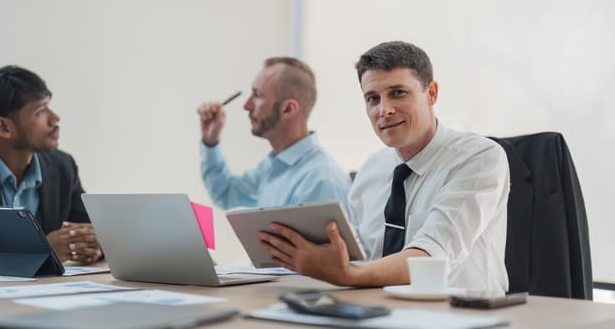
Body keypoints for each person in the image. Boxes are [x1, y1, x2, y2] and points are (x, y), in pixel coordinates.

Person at [258, 42, 510, 293]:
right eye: (373, 99)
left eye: (398, 93)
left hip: (459, 316)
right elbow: (357, 258)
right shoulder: (371, 170)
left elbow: (432, 258)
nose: (384, 110)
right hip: (376, 313)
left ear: (431, 93)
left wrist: (347, 274)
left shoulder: (479, 158)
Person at [0, 65, 102, 264]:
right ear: (3, 127)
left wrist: (93, 246)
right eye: (40, 111)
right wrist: (40, 250)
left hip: (45, 291)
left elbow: (89, 231)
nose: (55, 119)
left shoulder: (62, 166)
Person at [197, 57, 350, 209]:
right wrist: (211, 141)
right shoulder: (273, 167)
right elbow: (227, 193)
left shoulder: (321, 181)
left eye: (257, 95)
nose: (246, 105)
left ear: (288, 109)